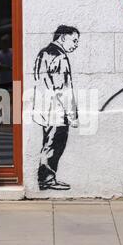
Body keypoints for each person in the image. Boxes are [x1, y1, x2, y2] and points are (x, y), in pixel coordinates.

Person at [32, 25, 80, 191]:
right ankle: (47, 179)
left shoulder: (43, 53)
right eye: (74, 40)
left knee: (48, 143)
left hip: (44, 108)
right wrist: (73, 115)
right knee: (55, 144)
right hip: (56, 110)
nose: (76, 44)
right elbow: (63, 89)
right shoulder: (59, 57)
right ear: (62, 37)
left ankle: (46, 178)